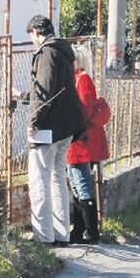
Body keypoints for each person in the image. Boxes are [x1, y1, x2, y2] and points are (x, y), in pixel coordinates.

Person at [21, 15, 86, 246]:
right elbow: (52, 89)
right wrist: (23, 96)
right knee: (57, 177)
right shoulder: (63, 51)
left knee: (39, 179)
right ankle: (61, 234)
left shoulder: (47, 53)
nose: (32, 41)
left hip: (48, 126)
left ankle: (44, 237)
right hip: (66, 125)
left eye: (31, 36)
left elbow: (45, 91)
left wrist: (33, 122)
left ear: (36, 32)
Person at [67, 45, 110, 243]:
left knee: (81, 184)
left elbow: (84, 109)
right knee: (77, 185)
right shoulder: (78, 78)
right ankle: (80, 230)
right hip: (78, 139)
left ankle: (90, 232)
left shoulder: (82, 79)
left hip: (80, 140)